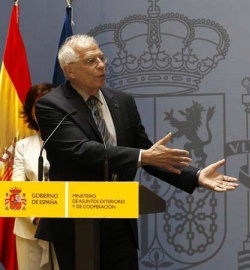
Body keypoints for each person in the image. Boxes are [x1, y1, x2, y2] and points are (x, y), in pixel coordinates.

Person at [33, 34, 238, 270]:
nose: (101, 65)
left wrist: (195, 175)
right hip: (77, 222)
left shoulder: (122, 101)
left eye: (101, 57)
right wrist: (142, 156)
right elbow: (81, 150)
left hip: (120, 218)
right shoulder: (52, 105)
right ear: (70, 71)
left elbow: (148, 154)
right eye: (91, 61)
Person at [12, 83, 59, 270]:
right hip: (29, 229)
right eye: (38, 106)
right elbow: (17, 189)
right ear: (31, 112)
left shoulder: (74, 143)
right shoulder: (23, 146)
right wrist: (37, 216)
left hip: (64, 227)